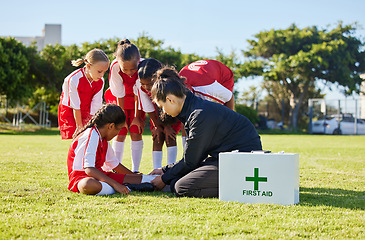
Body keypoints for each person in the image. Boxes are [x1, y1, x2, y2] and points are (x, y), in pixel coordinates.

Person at [150, 67, 262, 198]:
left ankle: (240, 187)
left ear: (170, 99)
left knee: (182, 187)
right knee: (175, 181)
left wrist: (164, 178)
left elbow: (190, 161)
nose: (163, 112)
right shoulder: (191, 109)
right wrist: (165, 170)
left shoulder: (198, 114)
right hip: (223, 158)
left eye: (162, 107)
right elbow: (193, 156)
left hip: (242, 159)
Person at [67, 103, 158, 195]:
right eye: (119, 129)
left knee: (144, 179)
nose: (118, 133)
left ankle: (129, 185)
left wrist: (133, 175)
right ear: (110, 126)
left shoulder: (103, 139)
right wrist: (115, 185)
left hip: (100, 176)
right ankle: (127, 187)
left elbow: (114, 165)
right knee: (88, 185)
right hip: (82, 178)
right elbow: (89, 169)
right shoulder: (92, 135)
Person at [104, 39, 145, 173]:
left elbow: (139, 93)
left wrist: (136, 117)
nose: (129, 72)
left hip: (137, 101)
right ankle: (117, 168)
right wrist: (121, 118)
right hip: (118, 99)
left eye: (132, 69)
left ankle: (135, 170)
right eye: (125, 69)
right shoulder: (115, 67)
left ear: (138, 60)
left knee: (135, 131)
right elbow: (119, 93)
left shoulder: (143, 67)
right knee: (120, 131)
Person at [135, 58, 181, 169]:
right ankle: (156, 169)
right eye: (143, 84)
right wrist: (156, 125)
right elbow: (148, 106)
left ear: (157, 78)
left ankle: (170, 168)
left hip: (172, 111)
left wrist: (168, 126)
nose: (146, 87)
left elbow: (170, 105)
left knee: (170, 136)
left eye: (150, 84)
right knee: (157, 136)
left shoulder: (168, 84)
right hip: (155, 111)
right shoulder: (140, 85)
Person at [178, 59, 235, 147]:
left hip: (222, 75)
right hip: (204, 72)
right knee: (187, 119)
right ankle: (188, 155)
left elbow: (230, 98)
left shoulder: (205, 88)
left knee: (210, 120)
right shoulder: (177, 83)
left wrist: (226, 126)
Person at [58, 48, 109, 139]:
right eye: (99, 71)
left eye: (104, 72)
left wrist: (94, 124)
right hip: (71, 110)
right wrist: (79, 126)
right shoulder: (73, 79)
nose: (102, 75)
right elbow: (75, 105)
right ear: (88, 66)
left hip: (87, 109)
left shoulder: (100, 81)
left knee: (89, 136)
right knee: (76, 137)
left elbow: (96, 104)